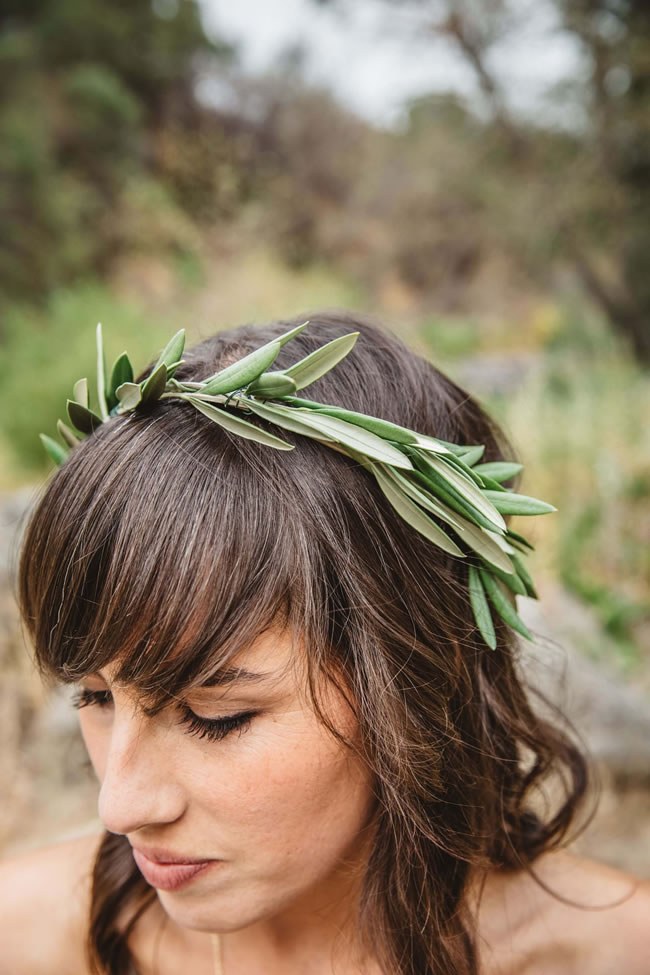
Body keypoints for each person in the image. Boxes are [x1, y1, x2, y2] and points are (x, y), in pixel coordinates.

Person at [1, 311, 648, 975]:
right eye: (95, 695)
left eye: (217, 716)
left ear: (412, 679)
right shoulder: (23, 938)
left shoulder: (619, 951)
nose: (121, 804)